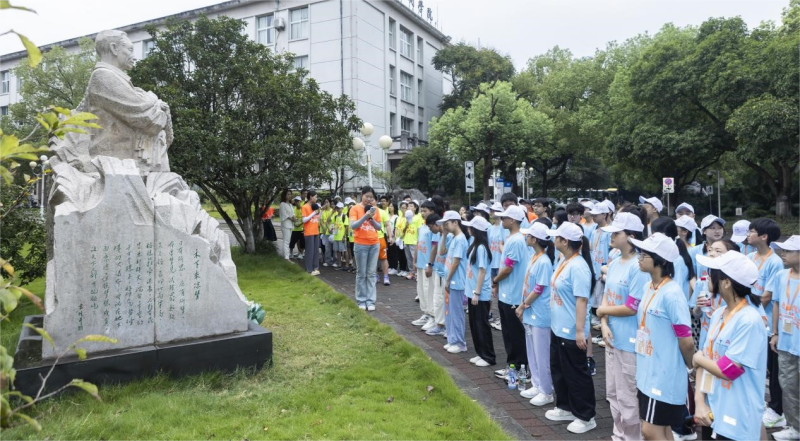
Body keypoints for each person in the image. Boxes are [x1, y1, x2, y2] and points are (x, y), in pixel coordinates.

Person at [693, 251, 768, 441]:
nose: (708, 276)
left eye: (713, 272)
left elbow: (730, 370)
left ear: (726, 282)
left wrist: (697, 358)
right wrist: (699, 401)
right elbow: (706, 357)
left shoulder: (749, 320)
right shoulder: (719, 313)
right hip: (713, 408)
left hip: (737, 414)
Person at [629, 233, 695, 441]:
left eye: (645, 255)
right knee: (662, 429)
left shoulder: (672, 293)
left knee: (650, 430)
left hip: (664, 374)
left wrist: (690, 366)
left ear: (662, 261)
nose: (639, 258)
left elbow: (686, 340)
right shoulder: (648, 287)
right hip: (648, 368)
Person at [596, 213, 649, 440]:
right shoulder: (616, 261)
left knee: (628, 395)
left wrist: (602, 313)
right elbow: (607, 296)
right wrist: (604, 323)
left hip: (630, 340)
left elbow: (631, 307)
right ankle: (618, 434)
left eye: (616, 233)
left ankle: (632, 436)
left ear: (631, 237)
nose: (611, 236)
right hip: (613, 337)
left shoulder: (638, 267)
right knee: (613, 391)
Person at [544, 221, 597, 434]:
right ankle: (565, 407)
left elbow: (582, 300)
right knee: (559, 369)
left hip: (571, 329)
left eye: (557, 237)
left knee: (576, 374)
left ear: (565, 241)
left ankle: (586, 416)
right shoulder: (564, 261)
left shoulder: (578, 266)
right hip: (558, 327)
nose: (553, 240)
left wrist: (580, 331)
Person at [747, 218, 786, 431]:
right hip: (750, 319)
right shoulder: (749, 257)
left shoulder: (775, 262)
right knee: (757, 365)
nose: (748, 234)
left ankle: (777, 410)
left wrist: (745, 310)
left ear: (764, 236)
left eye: (752, 231)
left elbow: (767, 296)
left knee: (773, 368)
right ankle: (761, 403)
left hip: (766, 323)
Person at [517, 222, 555, 406]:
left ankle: (546, 391)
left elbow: (539, 288)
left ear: (535, 239)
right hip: (531, 311)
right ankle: (536, 383)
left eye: (529, 235)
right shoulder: (534, 257)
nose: (526, 237)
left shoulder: (544, 262)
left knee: (542, 354)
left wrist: (523, 305)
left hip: (539, 313)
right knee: (532, 350)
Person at [491, 205, 530, 380]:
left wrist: (495, 280)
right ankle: (512, 366)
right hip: (507, 294)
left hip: (513, 295)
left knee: (515, 335)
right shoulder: (512, 239)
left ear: (512, 220)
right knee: (508, 333)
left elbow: (508, 268)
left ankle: (522, 368)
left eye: (504, 218)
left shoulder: (516, 241)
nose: (502, 220)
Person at [768, 235, 800, 441]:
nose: (782, 254)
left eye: (788, 251)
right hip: (786, 343)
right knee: (788, 387)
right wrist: (775, 333)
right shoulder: (781, 276)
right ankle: (795, 427)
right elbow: (777, 303)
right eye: (782, 250)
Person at [464, 216, 496, 367]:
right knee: (474, 324)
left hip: (480, 294)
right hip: (472, 292)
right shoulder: (475, 245)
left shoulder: (482, 248)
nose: (468, 229)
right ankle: (480, 353)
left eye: (471, 227)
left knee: (481, 325)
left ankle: (488, 356)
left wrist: (477, 292)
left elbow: (482, 271)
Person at [440, 211, 469, 353]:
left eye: (447, 223)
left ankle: (459, 342)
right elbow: (442, 252)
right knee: (450, 311)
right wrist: (444, 234)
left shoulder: (460, 239)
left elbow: (456, 262)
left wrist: (448, 279)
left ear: (455, 222)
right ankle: (452, 339)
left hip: (456, 281)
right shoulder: (453, 237)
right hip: (451, 280)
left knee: (456, 312)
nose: (445, 226)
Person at [350, 186, 382, 311]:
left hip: (374, 244)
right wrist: (365, 216)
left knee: (371, 273)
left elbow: (379, 227)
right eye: (367, 196)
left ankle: (371, 301)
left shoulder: (375, 209)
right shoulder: (355, 208)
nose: (369, 199)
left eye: (371, 197)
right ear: (361, 195)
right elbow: (353, 226)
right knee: (361, 273)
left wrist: (371, 218)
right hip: (360, 244)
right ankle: (361, 300)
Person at [411, 201, 436, 328]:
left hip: (428, 265)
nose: (422, 213)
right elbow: (418, 244)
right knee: (421, 290)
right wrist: (414, 260)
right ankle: (425, 313)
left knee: (429, 290)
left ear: (432, 211)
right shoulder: (422, 227)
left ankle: (432, 315)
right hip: (420, 263)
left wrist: (430, 264)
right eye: (421, 211)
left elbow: (434, 247)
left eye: (425, 211)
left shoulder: (433, 228)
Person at [424, 213, 447, 335]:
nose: (430, 230)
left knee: (444, 300)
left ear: (436, 224)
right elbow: (435, 250)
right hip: (439, 270)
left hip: (446, 273)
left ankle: (444, 325)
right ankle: (440, 324)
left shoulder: (448, 236)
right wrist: (431, 265)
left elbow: (444, 252)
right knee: (438, 299)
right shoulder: (439, 235)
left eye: (430, 227)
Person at [301, 191, 321, 275]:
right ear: (310, 197)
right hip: (309, 232)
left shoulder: (315, 207)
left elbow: (318, 219)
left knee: (316, 251)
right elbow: (304, 220)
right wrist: (313, 213)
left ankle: (315, 268)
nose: (316, 198)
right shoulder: (305, 207)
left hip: (316, 231)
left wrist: (320, 211)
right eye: (315, 197)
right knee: (310, 251)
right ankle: (309, 269)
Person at [404, 201, 422, 281]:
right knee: (409, 259)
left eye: (411, 206)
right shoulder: (406, 217)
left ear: (415, 208)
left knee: (415, 258)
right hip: (406, 240)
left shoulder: (418, 218)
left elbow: (419, 230)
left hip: (414, 241)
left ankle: (418, 273)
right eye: (408, 206)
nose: (409, 208)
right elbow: (404, 230)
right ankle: (411, 272)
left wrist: (419, 240)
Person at [375, 198, 391, 285]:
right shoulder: (365, 212)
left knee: (384, 258)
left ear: (376, 201)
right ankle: (375, 275)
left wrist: (390, 237)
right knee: (373, 259)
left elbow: (387, 225)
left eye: (372, 199)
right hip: (370, 239)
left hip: (380, 238)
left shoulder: (382, 212)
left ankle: (386, 276)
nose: (370, 201)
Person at [279, 190, 295, 260]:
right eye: (288, 194)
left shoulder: (290, 204)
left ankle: (286, 256)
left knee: (288, 241)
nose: (290, 196)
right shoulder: (282, 204)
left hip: (291, 224)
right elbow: (284, 214)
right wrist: (291, 218)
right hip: (285, 224)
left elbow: (292, 213)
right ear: (284, 195)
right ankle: (286, 257)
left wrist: (294, 218)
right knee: (286, 241)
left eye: (290, 194)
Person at [395, 201, 409, 277]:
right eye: (402, 208)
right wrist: (396, 236)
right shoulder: (399, 217)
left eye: (405, 208)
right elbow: (396, 227)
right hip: (398, 238)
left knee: (404, 255)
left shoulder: (408, 218)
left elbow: (406, 228)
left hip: (404, 238)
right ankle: (401, 269)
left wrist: (402, 236)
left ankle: (405, 270)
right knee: (399, 254)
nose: (403, 209)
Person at [331, 202, 347, 268]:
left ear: (342, 208)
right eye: (337, 208)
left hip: (342, 237)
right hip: (336, 236)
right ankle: (339, 263)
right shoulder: (335, 217)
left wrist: (344, 236)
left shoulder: (344, 216)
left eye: (339, 208)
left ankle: (347, 264)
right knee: (337, 251)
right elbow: (332, 224)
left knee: (344, 250)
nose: (338, 209)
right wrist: (331, 230)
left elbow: (346, 227)